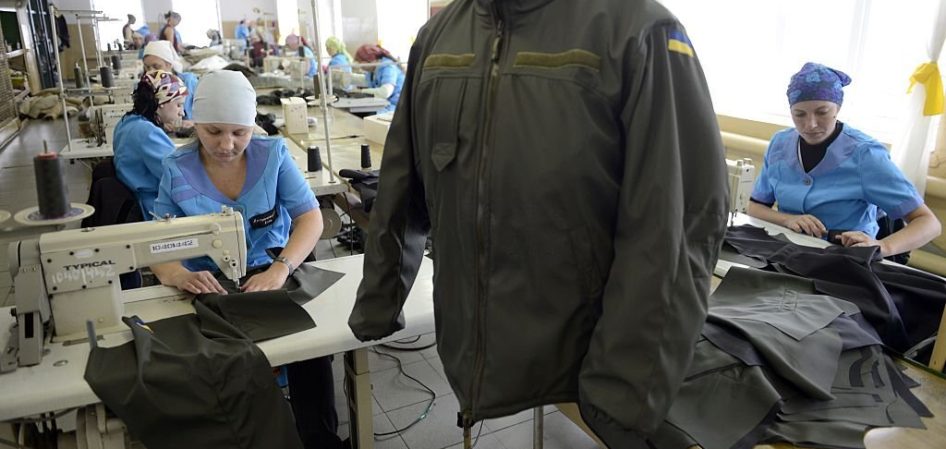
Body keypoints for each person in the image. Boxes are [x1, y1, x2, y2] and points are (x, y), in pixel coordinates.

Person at [347, 0, 728, 447]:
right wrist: (379, 299)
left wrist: (626, 383)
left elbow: (675, 222)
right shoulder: (438, 37)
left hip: (579, 342)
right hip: (466, 336)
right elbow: (401, 181)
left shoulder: (639, 29)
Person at [150, 70, 343, 449]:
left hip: (274, 266)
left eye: (239, 132)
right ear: (196, 123)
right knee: (213, 361)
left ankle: (319, 439)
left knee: (311, 349)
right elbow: (159, 244)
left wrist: (281, 267)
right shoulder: (176, 169)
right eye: (214, 132)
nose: (226, 144)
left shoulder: (273, 155)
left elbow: (310, 218)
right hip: (208, 278)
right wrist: (175, 274)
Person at [748, 62, 942, 259]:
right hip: (787, 252)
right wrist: (787, 220)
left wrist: (882, 247)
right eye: (799, 114)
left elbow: (929, 223)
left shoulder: (867, 155)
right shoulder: (779, 144)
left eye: (822, 112)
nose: (810, 124)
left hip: (845, 259)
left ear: (838, 108)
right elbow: (755, 206)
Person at [112, 70, 187, 218]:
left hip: (141, 199)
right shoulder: (147, 132)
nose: (182, 113)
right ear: (161, 103)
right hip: (155, 209)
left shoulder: (126, 122)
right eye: (179, 105)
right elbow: (177, 177)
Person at [142, 41, 199, 124]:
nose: (151, 71)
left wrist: (192, 123)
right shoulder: (146, 86)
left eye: (156, 66)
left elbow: (207, 114)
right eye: (147, 67)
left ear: (169, 65)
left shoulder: (189, 81)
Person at [353, 44, 404, 113]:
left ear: (370, 60)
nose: (359, 66)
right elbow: (367, 80)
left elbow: (385, 92)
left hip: (395, 109)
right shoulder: (373, 70)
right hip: (384, 105)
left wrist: (361, 92)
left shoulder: (388, 67)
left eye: (360, 62)